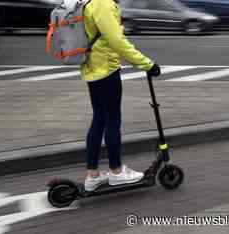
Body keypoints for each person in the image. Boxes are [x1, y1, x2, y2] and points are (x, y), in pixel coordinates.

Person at [81, 0, 161, 191]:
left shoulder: (91, 1)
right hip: (106, 70)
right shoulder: (103, 4)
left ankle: (93, 175)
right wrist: (147, 64)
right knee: (112, 120)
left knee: (99, 119)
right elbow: (116, 41)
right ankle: (116, 172)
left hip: (93, 70)